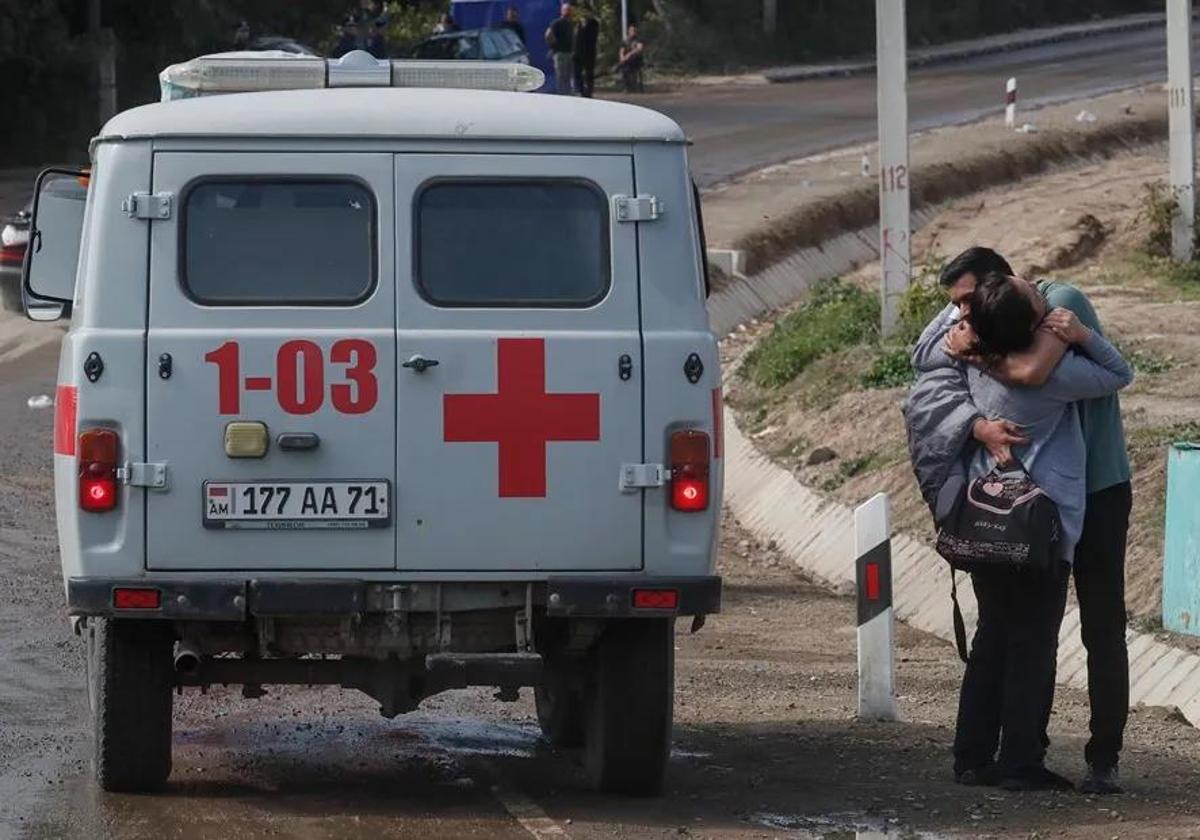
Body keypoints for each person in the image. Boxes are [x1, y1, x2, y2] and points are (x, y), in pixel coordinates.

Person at [909, 271, 1132, 792]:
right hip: (1045, 520)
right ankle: (1023, 761)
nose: (1035, 285)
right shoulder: (1058, 365)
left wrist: (973, 355)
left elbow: (931, 361)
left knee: (994, 634)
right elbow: (1117, 372)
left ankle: (973, 756)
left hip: (988, 511)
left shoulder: (973, 365)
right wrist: (1081, 336)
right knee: (1035, 641)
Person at [545, 3, 575, 95]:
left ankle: (568, 94)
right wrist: (554, 46)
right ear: (562, 11)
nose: (568, 12)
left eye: (569, 10)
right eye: (566, 10)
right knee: (561, 76)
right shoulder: (556, 23)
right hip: (560, 53)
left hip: (570, 52)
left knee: (569, 75)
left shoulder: (571, 23)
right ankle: (562, 95)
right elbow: (548, 35)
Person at [573, 2, 600, 98]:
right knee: (577, 72)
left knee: (589, 72)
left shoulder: (594, 23)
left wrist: (585, 26)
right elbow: (576, 37)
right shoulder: (578, 23)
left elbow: (592, 37)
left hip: (589, 51)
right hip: (578, 51)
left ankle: (589, 91)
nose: (584, 14)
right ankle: (580, 90)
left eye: (586, 12)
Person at [617, 22, 645, 93]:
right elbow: (621, 51)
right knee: (623, 68)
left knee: (630, 66)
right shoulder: (625, 41)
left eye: (634, 31)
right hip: (626, 61)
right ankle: (627, 87)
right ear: (628, 31)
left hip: (636, 60)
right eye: (631, 31)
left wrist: (629, 54)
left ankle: (634, 86)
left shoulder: (639, 40)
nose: (633, 32)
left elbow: (639, 49)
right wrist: (622, 57)